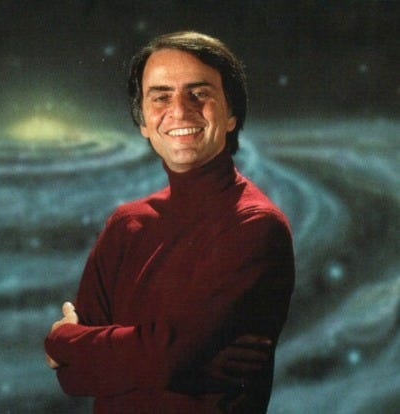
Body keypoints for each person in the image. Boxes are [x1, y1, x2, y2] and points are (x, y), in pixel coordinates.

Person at [44, 31, 295, 413]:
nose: (179, 110)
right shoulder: (126, 225)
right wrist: (176, 361)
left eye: (199, 93)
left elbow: (169, 357)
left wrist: (64, 341)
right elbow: (73, 377)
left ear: (231, 114)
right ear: (143, 122)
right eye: (160, 97)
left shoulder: (256, 226)